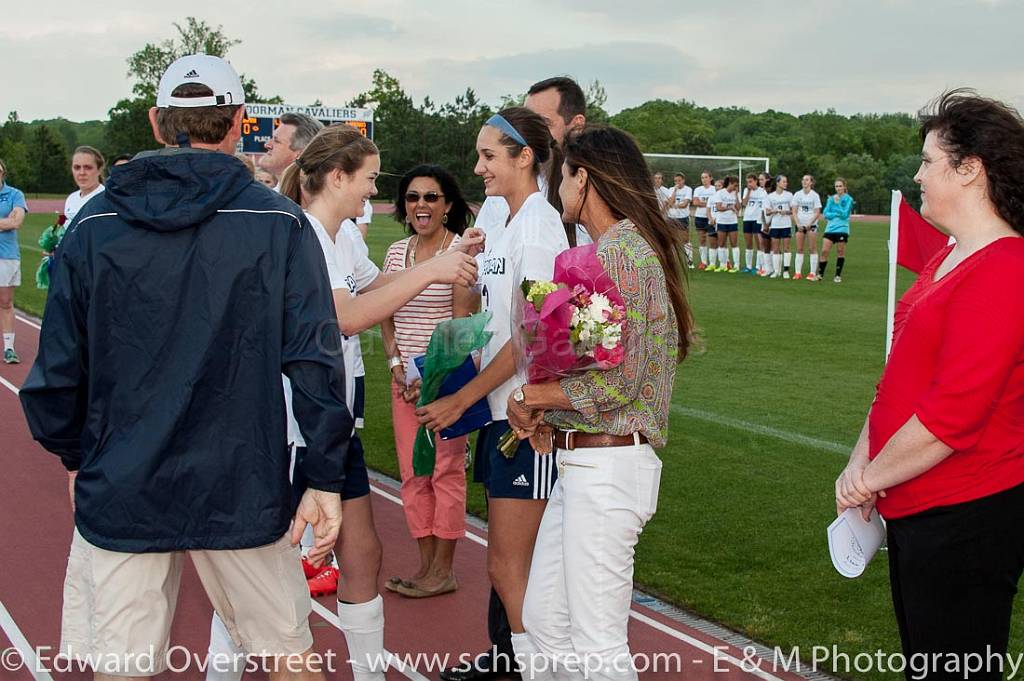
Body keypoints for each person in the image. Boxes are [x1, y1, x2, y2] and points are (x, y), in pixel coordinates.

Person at [19, 54, 348, 681]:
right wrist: (323, 474)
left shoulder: (95, 223)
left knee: (122, 665)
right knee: (289, 655)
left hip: (124, 477)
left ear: (156, 121)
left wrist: (76, 454)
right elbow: (314, 359)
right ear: (237, 123)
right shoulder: (276, 220)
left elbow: (58, 372)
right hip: (239, 478)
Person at [835, 90, 1024, 681]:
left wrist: (867, 478)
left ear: (970, 169)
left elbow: (952, 416)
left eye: (927, 161)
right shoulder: (950, 254)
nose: (916, 175)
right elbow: (898, 381)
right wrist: (860, 463)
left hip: (969, 512)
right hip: (919, 503)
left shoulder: (1004, 268)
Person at [506, 125, 693, 681]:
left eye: (559, 176)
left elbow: (622, 381)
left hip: (609, 465)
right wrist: (545, 407)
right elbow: (591, 365)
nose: (555, 189)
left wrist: (532, 394)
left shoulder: (625, 255)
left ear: (582, 177)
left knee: (598, 643)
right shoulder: (601, 253)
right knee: (544, 620)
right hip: (582, 462)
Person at [441, 75, 589, 681]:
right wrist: (464, 275)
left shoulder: (543, 230)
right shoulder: (502, 220)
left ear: (524, 156)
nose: (476, 168)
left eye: (487, 155)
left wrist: (460, 400)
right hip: (500, 414)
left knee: (514, 569)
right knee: (506, 567)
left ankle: (545, 670)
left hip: (526, 420)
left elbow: (533, 340)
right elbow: (480, 323)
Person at [381, 164, 476, 598]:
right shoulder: (395, 254)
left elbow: (461, 326)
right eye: (413, 197)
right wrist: (398, 366)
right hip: (405, 382)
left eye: (431, 198)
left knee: (445, 473)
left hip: (445, 382)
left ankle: (444, 570)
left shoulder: (460, 254)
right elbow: (385, 316)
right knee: (412, 474)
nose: (421, 205)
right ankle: (424, 568)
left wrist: (433, 377)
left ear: (447, 205)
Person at [0, 158, 27, 364]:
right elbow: (8, 222)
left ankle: (9, 348)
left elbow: (16, 221)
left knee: (5, 302)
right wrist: (4, 222)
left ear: (3, 173)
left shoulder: (14, 194)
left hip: (6, 255)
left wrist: (10, 222)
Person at [258, 111, 324, 185]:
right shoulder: (270, 194)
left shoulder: (316, 195)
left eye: (276, 141)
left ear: (301, 154)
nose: (267, 145)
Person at [818, 178, 853, 282]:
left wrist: (837, 205)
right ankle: (820, 274)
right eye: (836, 186)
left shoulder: (848, 199)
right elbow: (825, 213)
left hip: (842, 228)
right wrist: (835, 213)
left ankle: (837, 275)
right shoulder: (831, 199)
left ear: (844, 187)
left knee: (840, 251)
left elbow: (845, 214)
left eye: (840, 186)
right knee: (824, 251)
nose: (838, 188)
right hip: (830, 228)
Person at [791, 174, 822, 280]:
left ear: (811, 182)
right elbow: (794, 211)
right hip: (800, 225)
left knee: (812, 248)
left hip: (811, 225)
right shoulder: (797, 194)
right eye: (803, 179)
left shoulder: (815, 195)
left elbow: (817, 212)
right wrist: (797, 223)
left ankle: (812, 273)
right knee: (799, 248)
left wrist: (810, 223)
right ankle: (798, 273)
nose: (804, 181)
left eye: (807, 180)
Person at [64, 146, 106, 224]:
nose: (82, 173)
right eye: (77, 167)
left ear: (99, 170)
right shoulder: (71, 198)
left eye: (88, 167)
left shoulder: (106, 199)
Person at [763, 174, 794, 278]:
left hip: (786, 224)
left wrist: (786, 212)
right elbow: (767, 212)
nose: (786, 183)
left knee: (786, 248)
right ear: (777, 183)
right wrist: (775, 211)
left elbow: (793, 211)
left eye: (786, 181)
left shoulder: (789, 195)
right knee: (775, 249)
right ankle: (776, 271)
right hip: (775, 225)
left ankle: (786, 271)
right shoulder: (770, 196)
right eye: (783, 181)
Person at [741, 173, 768, 274]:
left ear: (756, 181)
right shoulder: (746, 190)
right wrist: (748, 192)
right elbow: (743, 203)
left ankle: (758, 266)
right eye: (747, 182)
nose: (749, 184)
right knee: (748, 244)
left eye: (751, 182)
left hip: (758, 219)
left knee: (759, 243)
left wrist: (764, 221)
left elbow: (764, 208)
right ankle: (748, 266)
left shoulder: (763, 192)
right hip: (747, 218)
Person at [713, 175, 740, 273]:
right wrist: (729, 208)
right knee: (721, 243)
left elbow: (738, 207)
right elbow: (719, 207)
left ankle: (736, 265)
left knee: (734, 243)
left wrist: (736, 195)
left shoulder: (735, 193)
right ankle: (723, 264)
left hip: (732, 221)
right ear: (730, 184)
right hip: (722, 221)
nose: (736, 187)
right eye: (735, 185)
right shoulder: (720, 193)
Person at [667, 172, 694, 268]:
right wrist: (674, 190)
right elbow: (670, 202)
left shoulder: (688, 189)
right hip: (672, 217)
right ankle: (672, 262)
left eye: (679, 180)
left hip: (683, 217)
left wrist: (675, 205)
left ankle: (689, 261)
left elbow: (685, 204)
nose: (677, 182)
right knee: (671, 240)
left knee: (685, 239)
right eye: (675, 181)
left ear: (683, 180)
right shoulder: (671, 189)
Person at [692, 171, 717, 270]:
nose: (704, 179)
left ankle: (713, 263)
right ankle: (703, 262)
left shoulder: (714, 189)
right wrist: (708, 203)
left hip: (711, 217)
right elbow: (695, 202)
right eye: (702, 178)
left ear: (710, 178)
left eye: (706, 177)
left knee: (714, 240)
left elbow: (716, 203)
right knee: (702, 240)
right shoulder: (698, 189)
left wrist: (703, 203)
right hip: (700, 216)